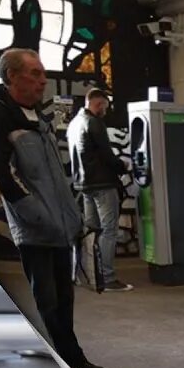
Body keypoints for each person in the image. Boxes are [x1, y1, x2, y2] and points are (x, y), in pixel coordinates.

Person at [0, 48, 106, 368]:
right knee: (49, 302)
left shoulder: (38, 114)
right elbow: (5, 176)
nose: (42, 79)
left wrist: (70, 217)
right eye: (34, 73)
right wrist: (39, 217)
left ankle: (70, 357)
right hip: (36, 230)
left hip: (60, 226)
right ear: (12, 76)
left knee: (65, 299)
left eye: (42, 72)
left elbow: (53, 175)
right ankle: (70, 363)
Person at [67, 88, 132, 292]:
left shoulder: (74, 123)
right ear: (98, 104)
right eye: (105, 105)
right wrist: (123, 166)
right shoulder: (94, 123)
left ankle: (88, 275)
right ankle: (107, 278)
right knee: (109, 230)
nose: (106, 109)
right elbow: (106, 154)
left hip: (84, 185)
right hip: (103, 184)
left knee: (91, 231)